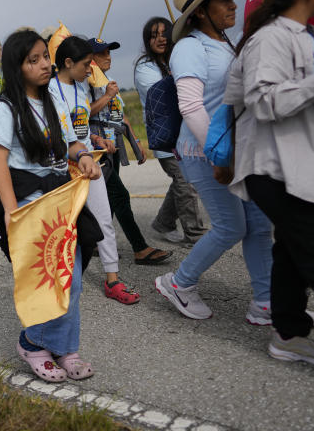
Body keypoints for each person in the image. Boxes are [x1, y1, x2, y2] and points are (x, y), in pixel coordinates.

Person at [224, 0, 314, 365]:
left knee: (293, 250)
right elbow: (262, 100)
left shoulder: (309, 37)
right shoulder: (270, 39)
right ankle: (289, 330)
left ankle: (289, 333)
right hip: (279, 168)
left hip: (307, 162)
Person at [155, 0, 275, 322]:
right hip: (206, 152)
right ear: (200, 12)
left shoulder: (226, 42)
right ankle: (179, 283)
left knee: (259, 224)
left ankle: (265, 302)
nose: (232, 5)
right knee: (230, 227)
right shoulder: (191, 48)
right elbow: (191, 106)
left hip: (237, 150)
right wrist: (220, 153)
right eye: (223, 0)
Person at [0, 30, 102, 382]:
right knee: (48, 280)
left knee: (73, 277)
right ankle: (34, 343)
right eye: (32, 60)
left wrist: (83, 156)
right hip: (29, 203)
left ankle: (61, 347)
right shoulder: (4, 108)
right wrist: (10, 211)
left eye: (44, 57)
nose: (43, 65)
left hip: (61, 197)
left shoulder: (53, 99)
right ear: (16, 67)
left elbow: (70, 143)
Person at [51, 37, 140, 304]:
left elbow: (81, 121)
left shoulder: (81, 88)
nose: (91, 69)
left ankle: (113, 280)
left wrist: (95, 139)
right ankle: (59, 281)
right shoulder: (51, 91)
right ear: (68, 63)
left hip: (90, 163)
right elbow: (60, 131)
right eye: (86, 63)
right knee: (65, 228)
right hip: (64, 169)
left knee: (104, 220)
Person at [89, 38, 172, 266]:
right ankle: (140, 248)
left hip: (115, 145)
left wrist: (135, 141)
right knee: (119, 195)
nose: (108, 57)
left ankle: (96, 241)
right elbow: (82, 114)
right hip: (98, 149)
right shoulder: (87, 84)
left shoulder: (109, 82)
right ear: (90, 59)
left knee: (109, 197)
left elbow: (120, 116)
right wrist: (106, 96)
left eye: (109, 52)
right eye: (102, 53)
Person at [133, 17, 206, 243]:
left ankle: (163, 222)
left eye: (165, 33)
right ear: (147, 41)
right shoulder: (145, 67)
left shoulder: (175, 59)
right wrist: (184, 72)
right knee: (186, 182)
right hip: (167, 136)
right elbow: (167, 91)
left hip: (187, 132)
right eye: (154, 35)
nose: (161, 39)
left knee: (182, 180)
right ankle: (195, 233)